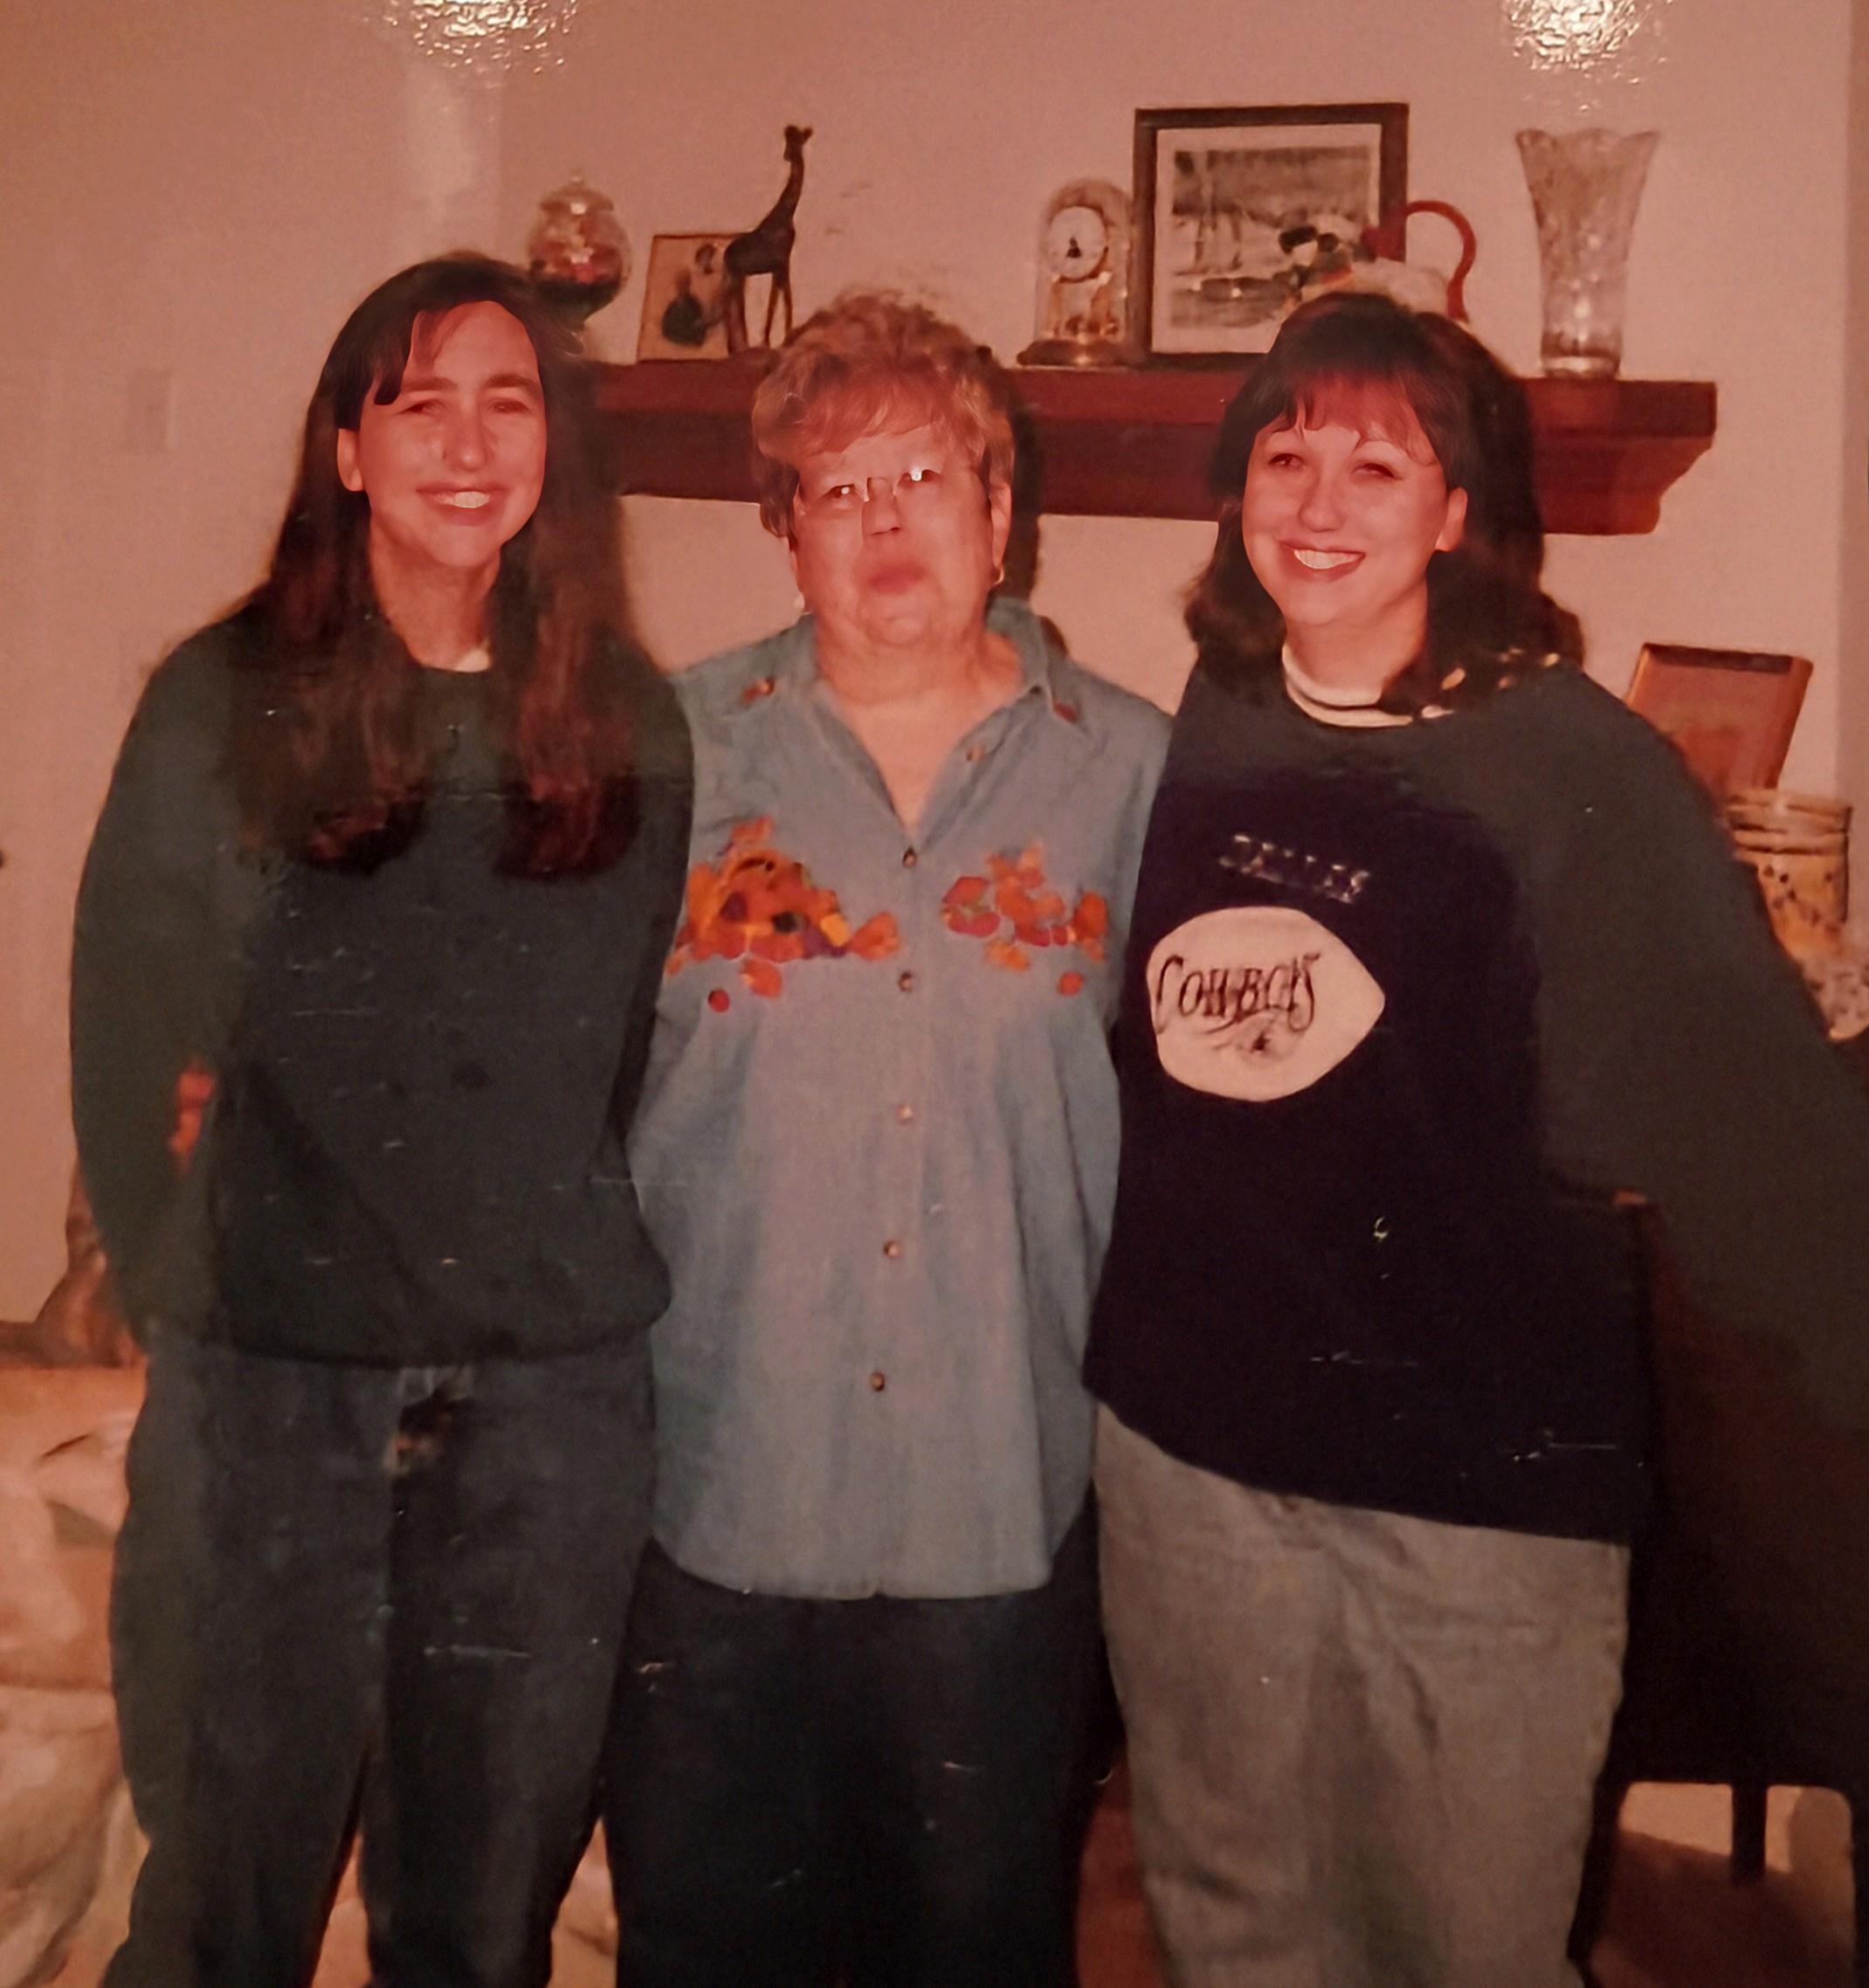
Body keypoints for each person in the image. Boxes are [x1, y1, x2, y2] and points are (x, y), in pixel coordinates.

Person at [1080, 291, 1869, 1988]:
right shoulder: (1204, 726)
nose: (1319, 502)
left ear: (1459, 515)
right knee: (1235, 1930)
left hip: (1473, 1496)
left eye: (1375, 464)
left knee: (1468, 1951)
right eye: (1285, 454)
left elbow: (1738, 1095)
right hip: (1197, 1467)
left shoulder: (1572, 772)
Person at [71, 252, 692, 1988]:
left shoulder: (627, 720)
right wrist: (193, 1284)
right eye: (419, 400)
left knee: (479, 1928)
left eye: (512, 402)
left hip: (549, 1412)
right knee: (221, 1911)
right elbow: (127, 1029)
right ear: (348, 447)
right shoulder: (222, 694)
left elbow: (615, 1045)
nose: (468, 442)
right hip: (275, 1394)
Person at [604, 293, 1169, 1988]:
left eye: (921, 473)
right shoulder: (660, 755)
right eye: (833, 490)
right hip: (713, 1492)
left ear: (1002, 508)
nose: (884, 523)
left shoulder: (1133, 775)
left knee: (974, 1954)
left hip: (995, 1505)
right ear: (784, 533)